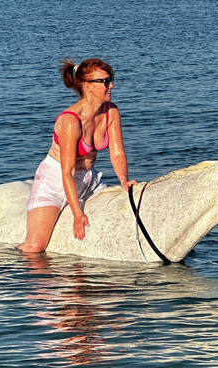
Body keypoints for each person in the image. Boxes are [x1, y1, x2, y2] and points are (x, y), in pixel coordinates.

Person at [18, 58, 137, 253]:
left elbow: (117, 152)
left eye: (111, 79)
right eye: (105, 81)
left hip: (90, 179)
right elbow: (67, 172)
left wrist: (124, 180)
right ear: (87, 86)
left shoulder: (111, 111)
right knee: (35, 246)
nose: (111, 85)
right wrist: (77, 213)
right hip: (56, 181)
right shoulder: (70, 121)